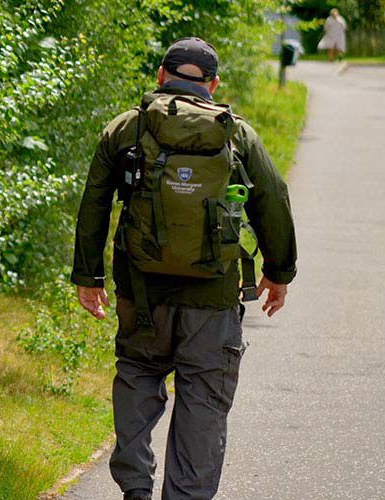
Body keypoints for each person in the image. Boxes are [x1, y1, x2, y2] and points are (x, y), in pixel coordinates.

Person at [70, 38, 298, 500]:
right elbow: (271, 199)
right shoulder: (237, 134)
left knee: (137, 376)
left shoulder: (126, 129)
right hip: (212, 301)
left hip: (142, 292)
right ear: (213, 84)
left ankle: (135, 488)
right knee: (204, 402)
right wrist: (279, 271)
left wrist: (88, 277)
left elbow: (93, 204)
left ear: (160, 74)